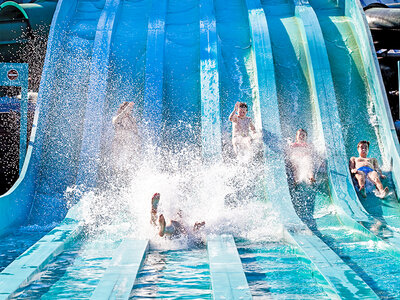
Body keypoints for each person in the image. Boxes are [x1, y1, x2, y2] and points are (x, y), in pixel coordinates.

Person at [111, 102, 140, 173]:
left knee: (129, 162)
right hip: (118, 144)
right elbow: (121, 116)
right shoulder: (116, 119)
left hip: (127, 144)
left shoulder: (131, 120)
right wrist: (128, 107)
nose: (128, 112)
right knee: (117, 164)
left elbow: (136, 133)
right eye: (127, 110)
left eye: (130, 111)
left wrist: (138, 144)